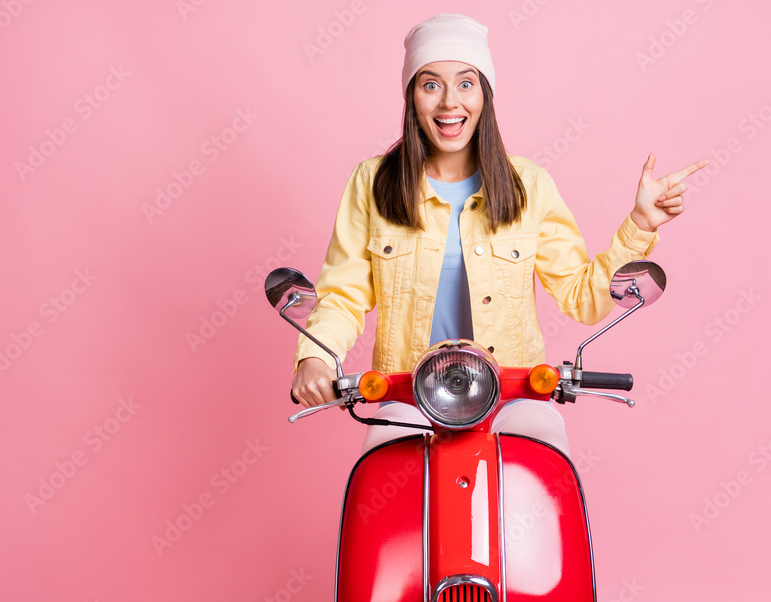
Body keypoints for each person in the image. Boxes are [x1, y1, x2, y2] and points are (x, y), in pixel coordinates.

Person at [290, 13, 707, 452]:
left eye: (466, 83)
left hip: (513, 396)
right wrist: (315, 357)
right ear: (412, 96)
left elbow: (582, 296)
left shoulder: (529, 185)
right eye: (430, 84)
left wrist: (640, 225)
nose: (450, 102)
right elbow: (344, 295)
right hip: (407, 396)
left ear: (485, 95)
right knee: (379, 481)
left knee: (543, 476)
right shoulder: (372, 182)